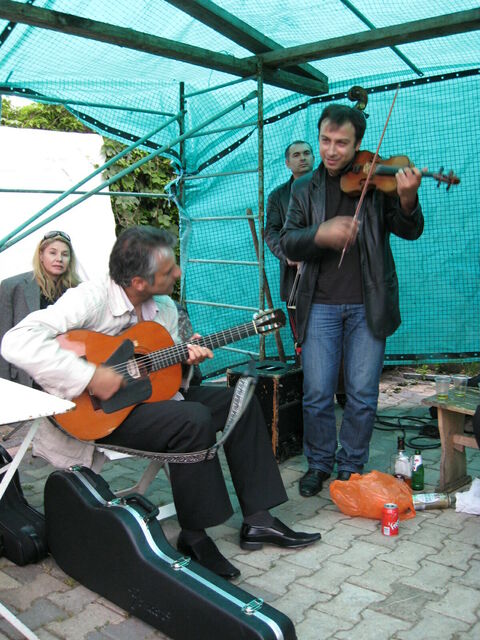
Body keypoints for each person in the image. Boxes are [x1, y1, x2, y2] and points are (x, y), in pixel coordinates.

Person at [1, 225, 320, 579]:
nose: (178, 273)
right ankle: (194, 536)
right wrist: (90, 376)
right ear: (139, 281)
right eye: (168, 270)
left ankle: (259, 519)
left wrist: (186, 358)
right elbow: (17, 342)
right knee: (192, 418)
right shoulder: (91, 297)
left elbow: (159, 373)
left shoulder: (164, 307)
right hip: (100, 413)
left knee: (239, 399)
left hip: (150, 401)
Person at [280, 104, 424, 497]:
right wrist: (320, 233)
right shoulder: (303, 188)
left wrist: (408, 198)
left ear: (358, 143)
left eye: (341, 143)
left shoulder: (377, 183)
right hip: (319, 305)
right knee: (316, 392)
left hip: (368, 304)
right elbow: (287, 241)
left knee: (362, 394)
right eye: (325, 140)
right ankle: (319, 463)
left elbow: (410, 229)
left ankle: (350, 467)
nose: (331, 150)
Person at [0, 230, 80, 386]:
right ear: (41, 255)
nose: (59, 259)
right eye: (53, 253)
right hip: (24, 377)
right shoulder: (12, 286)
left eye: (65, 254)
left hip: (63, 376)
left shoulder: (78, 290)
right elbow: (2, 337)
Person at [265, 141, 314, 348]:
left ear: (313, 158)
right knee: (302, 337)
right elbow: (271, 232)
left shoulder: (329, 188)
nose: (302, 158)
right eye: (296, 155)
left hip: (329, 275)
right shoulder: (278, 196)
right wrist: (288, 255)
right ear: (287, 163)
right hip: (295, 277)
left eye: (306, 153)